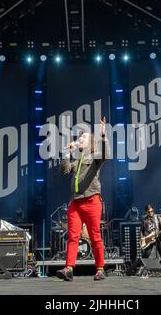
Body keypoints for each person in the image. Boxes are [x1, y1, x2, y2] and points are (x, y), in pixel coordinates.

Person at [56, 117, 110, 281]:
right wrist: (67, 153)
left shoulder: (94, 158)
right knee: (73, 236)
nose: (79, 139)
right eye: (79, 138)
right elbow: (64, 171)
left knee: (94, 235)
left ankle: (100, 269)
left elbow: (106, 154)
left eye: (83, 138)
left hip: (91, 200)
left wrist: (103, 136)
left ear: (91, 143)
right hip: (76, 202)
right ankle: (69, 269)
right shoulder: (76, 160)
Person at [140, 204, 161, 272]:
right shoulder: (144, 220)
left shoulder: (157, 217)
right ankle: (145, 270)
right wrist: (142, 238)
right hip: (148, 240)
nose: (151, 213)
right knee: (146, 255)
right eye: (149, 212)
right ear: (146, 212)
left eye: (152, 211)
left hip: (158, 237)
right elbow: (141, 230)